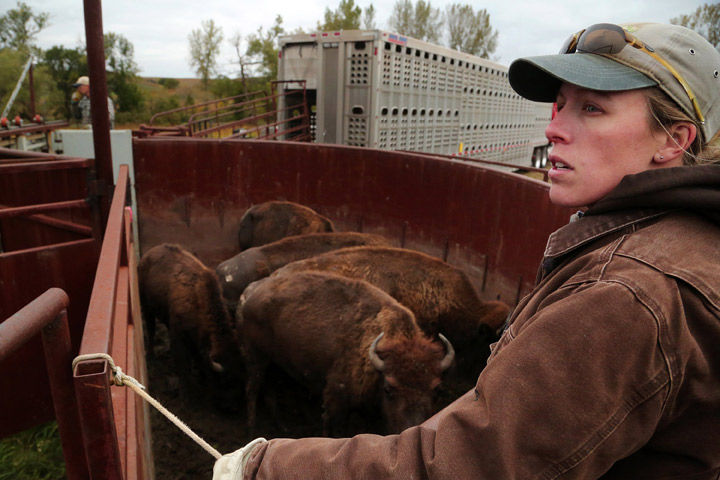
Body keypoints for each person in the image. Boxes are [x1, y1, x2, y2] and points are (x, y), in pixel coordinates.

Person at [214, 22, 720, 479]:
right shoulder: (687, 243)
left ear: (674, 140)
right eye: (562, 103)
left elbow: (466, 466)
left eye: (592, 108)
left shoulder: (626, 293)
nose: (554, 127)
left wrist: (268, 467)